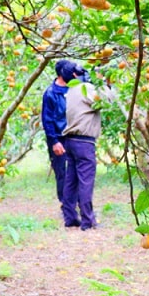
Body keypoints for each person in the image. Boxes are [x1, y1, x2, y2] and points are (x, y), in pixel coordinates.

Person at [60, 66, 105, 231]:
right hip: (84, 142)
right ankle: (87, 221)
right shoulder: (86, 88)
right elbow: (104, 102)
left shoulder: (71, 90)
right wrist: (104, 83)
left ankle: (70, 218)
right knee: (86, 181)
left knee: (71, 181)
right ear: (75, 74)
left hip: (70, 141)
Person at [41, 60, 76, 210]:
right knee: (62, 173)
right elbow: (47, 120)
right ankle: (66, 205)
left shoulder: (74, 89)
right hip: (59, 138)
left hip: (73, 136)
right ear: (62, 74)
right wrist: (54, 141)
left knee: (75, 172)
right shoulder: (50, 93)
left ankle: (76, 203)